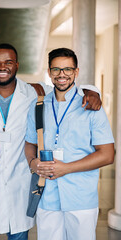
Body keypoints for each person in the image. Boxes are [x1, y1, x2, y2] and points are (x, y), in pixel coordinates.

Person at [0, 43, 102, 240]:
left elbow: (64, 85)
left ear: (17, 65)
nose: (2, 67)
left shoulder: (35, 90)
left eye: (8, 62)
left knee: (18, 233)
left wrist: (92, 92)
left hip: (21, 182)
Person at [24, 47, 114, 240]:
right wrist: (33, 163)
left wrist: (67, 168)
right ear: (49, 72)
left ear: (76, 72)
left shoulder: (91, 106)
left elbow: (107, 154)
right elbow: (30, 144)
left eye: (67, 69)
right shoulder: (38, 106)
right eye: (56, 69)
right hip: (47, 196)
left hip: (81, 197)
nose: (62, 74)